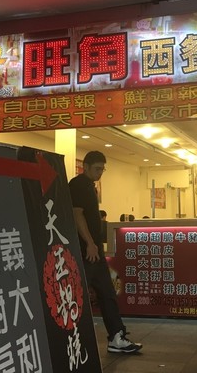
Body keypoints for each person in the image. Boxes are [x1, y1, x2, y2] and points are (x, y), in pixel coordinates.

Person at [69, 151, 142, 354]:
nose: (100, 172)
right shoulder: (78, 185)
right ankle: (72, 341)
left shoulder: (89, 186)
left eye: (102, 169)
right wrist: (90, 243)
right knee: (78, 296)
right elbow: (77, 215)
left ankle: (116, 337)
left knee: (107, 293)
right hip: (86, 251)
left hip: (95, 251)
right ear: (85, 167)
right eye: (97, 168)